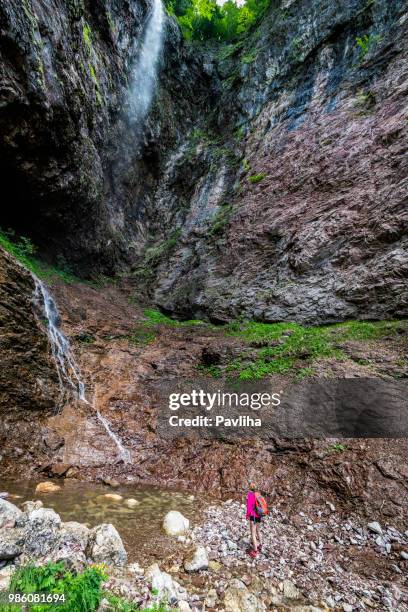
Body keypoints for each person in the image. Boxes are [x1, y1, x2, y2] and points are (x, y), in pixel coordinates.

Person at [246, 481, 262, 558]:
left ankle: (255, 551)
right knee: (258, 531)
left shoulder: (250, 494)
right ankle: (260, 545)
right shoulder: (258, 494)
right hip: (259, 515)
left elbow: (249, 507)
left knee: (253, 533)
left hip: (253, 516)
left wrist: (247, 516)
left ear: (250, 487)